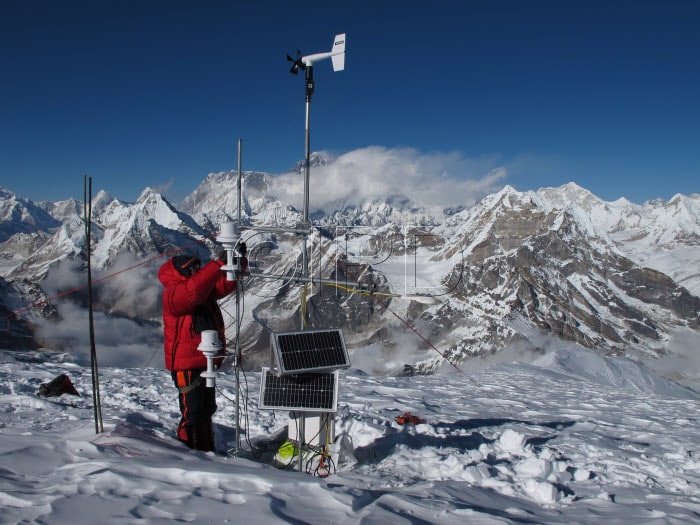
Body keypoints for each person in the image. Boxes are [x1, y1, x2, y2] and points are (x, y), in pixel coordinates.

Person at [158, 246, 247, 451]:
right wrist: (217, 264)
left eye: (197, 269)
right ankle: (190, 450)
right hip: (187, 365)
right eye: (191, 270)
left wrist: (237, 262)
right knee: (194, 412)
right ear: (180, 273)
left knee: (206, 409)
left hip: (203, 360)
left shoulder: (196, 291)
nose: (195, 273)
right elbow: (193, 290)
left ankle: (204, 449)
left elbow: (222, 286)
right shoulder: (174, 293)